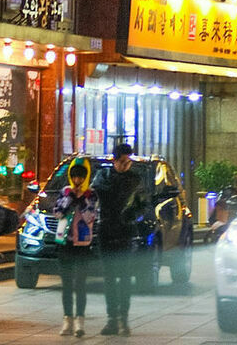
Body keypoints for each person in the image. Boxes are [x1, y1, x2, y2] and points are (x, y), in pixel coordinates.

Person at [91, 140, 146, 337]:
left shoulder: (135, 179)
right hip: (106, 231)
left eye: (128, 162)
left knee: (123, 277)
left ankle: (123, 318)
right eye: (123, 161)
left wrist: (134, 214)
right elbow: (96, 195)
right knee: (109, 278)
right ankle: (112, 318)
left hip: (125, 233)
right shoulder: (103, 177)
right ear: (114, 161)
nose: (126, 165)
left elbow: (142, 204)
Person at [54, 156, 99, 339]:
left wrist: (81, 200)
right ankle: (67, 320)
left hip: (82, 245)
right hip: (65, 243)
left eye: (81, 177)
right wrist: (70, 198)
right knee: (66, 284)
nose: (78, 180)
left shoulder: (91, 195)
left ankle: (80, 321)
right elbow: (57, 212)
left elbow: (91, 217)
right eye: (75, 177)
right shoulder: (65, 192)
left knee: (80, 284)